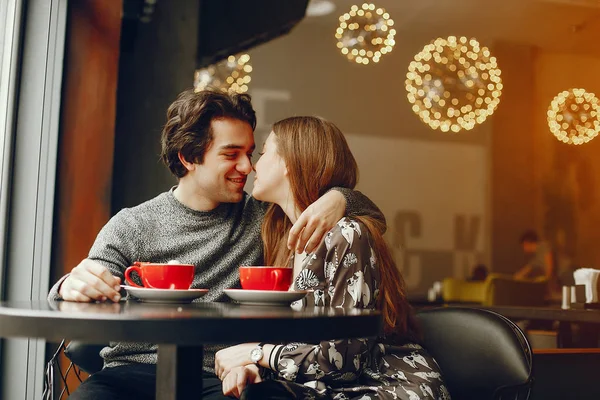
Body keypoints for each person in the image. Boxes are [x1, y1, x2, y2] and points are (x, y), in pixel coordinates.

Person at [47, 90, 385, 400]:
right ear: (190, 158)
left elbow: (366, 219)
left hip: (221, 377)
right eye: (231, 154)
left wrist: (339, 199)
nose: (247, 167)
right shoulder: (133, 224)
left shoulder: (266, 219)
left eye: (251, 153)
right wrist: (69, 285)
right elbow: (85, 286)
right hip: (129, 373)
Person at [214, 117, 450, 400]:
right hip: (330, 387)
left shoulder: (347, 234)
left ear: (289, 161)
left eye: (263, 153)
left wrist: (256, 353)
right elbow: (303, 346)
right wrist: (256, 367)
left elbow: (345, 361)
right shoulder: (284, 241)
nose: (254, 165)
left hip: (387, 387)